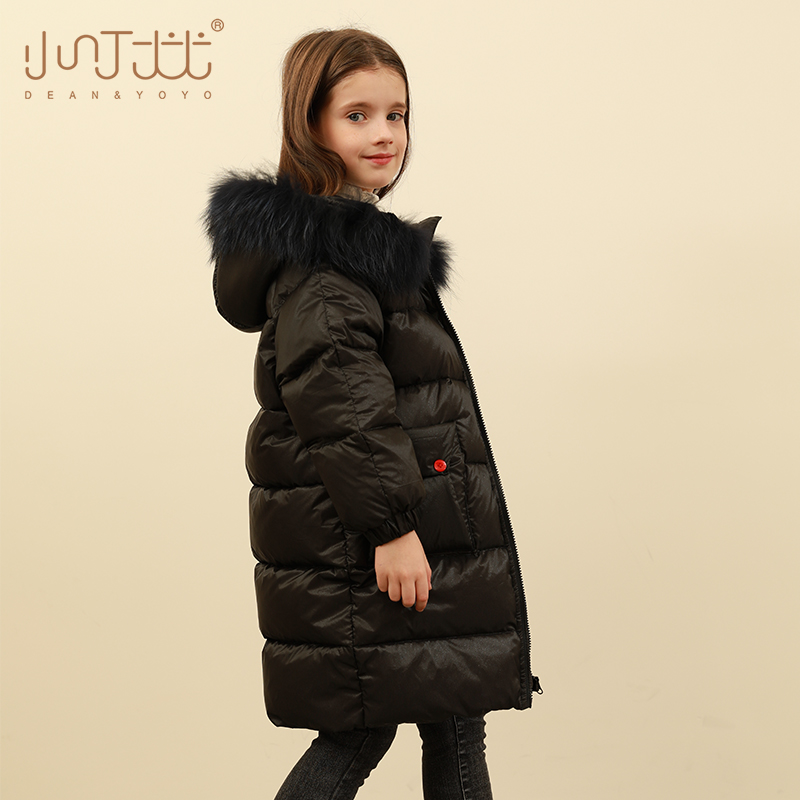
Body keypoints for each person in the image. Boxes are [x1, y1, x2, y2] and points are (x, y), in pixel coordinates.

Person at [202, 26, 540, 800]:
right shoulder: (330, 260)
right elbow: (341, 402)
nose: (384, 133)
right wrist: (391, 528)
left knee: (453, 717)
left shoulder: (355, 246)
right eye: (357, 115)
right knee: (363, 730)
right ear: (310, 124)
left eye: (397, 114)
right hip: (371, 535)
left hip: (406, 523)